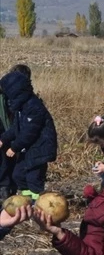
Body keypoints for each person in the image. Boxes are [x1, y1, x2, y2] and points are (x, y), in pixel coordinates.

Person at [0, 68, 58, 196]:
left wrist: (14, 147)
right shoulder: (20, 107)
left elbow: (29, 132)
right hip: (30, 149)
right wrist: (3, 138)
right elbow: (16, 128)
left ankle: (37, 203)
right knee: (18, 175)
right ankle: (26, 200)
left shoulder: (34, 107)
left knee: (33, 179)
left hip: (40, 149)